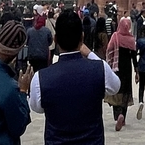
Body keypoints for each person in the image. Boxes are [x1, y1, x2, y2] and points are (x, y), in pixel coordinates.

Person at [29, 8, 120, 145]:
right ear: (82, 38)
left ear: (56, 39)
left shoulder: (41, 78)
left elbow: (37, 107)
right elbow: (115, 86)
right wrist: (89, 53)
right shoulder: (99, 69)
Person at [106, 16, 138, 131]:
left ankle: (118, 114)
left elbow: (109, 49)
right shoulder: (131, 40)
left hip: (116, 68)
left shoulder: (115, 37)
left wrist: (110, 63)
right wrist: (137, 72)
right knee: (125, 91)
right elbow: (134, 57)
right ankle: (123, 116)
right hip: (127, 69)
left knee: (116, 90)